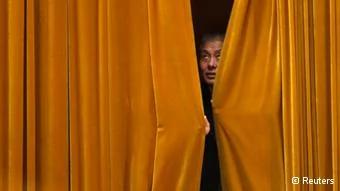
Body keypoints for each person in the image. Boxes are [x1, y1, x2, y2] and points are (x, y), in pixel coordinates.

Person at [198, 33, 224, 191]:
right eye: (205, 57)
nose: (211, 64)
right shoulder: (194, 102)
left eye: (219, 56)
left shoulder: (244, 102)